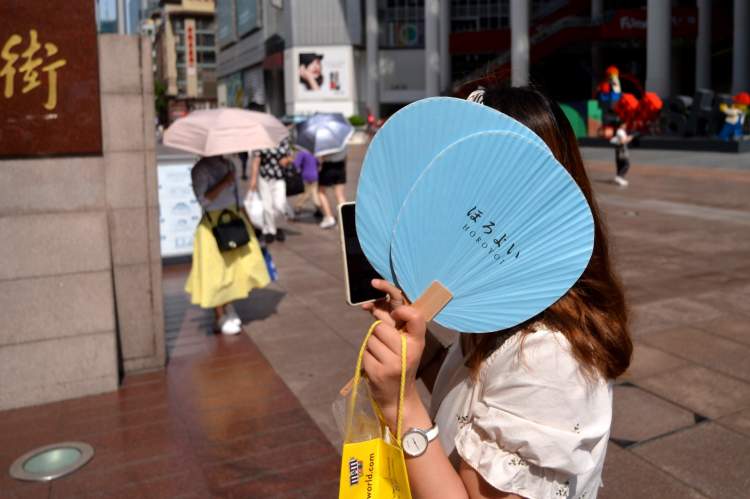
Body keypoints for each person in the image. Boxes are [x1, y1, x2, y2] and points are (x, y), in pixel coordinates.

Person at [360, 86, 631, 499]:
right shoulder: (503, 302)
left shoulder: (549, 356)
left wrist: (402, 407)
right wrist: (418, 351)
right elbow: (473, 398)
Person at [185, 156, 270, 335]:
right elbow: (203, 200)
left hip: (234, 219)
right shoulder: (199, 169)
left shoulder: (229, 164)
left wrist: (250, 222)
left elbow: (238, 199)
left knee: (235, 269)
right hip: (213, 225)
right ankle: (219, 317)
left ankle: (228, 306)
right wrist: (224, 182)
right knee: (216, 273)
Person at [250, 137, 294, 244]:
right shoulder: (260, 141)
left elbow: (291, 157)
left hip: (280, 178)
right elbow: (256, 161)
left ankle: (273, 226)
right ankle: (270, 230)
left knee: (280, 205)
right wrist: (253, 180)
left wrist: (287, 160)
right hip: (264, 178)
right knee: (267, 206)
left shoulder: (284, 141)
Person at [317, 149, 348, 229]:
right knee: (340, 194)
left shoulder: (324, 144)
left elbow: (321, 158)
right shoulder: (342, 143)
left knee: (321, 192)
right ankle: (345, 219)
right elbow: (345, 157)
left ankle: (329, 217)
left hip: (327, 167)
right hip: (341, 166)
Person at [291, 146, 322, 217]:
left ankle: (298, 206)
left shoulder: (302, 153)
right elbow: (318, 163)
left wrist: (292, 160)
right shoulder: (314, 152)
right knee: (314, 192)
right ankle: (318, 207)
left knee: (305, 193)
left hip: (305, 175)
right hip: (315, 175)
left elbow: (296, 164)